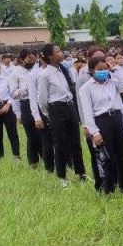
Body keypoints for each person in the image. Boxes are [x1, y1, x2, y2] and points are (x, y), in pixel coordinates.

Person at [38, 43, 87, 188]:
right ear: (50, 56)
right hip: (56, 109)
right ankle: (62, 177)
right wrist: (50, 114)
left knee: (76, 142)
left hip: (69, 106)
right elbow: (42, 99)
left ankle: (81, 173)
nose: (61, 53)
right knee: (60, 144)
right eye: (58, 51)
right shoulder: (45, 75)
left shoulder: (63, 69)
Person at [79, 56, 123, 194]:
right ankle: (109, 188)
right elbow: (87, 113)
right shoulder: (86, 88)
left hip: (118, 119)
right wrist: (95, 132)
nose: (103, 71)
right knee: (107, 157)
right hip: (102, 121)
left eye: (104, 68)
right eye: (99, 70)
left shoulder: (112, 82)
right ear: (91, 71)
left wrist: (112, 70)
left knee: (122, 154)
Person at [10, 49, 43, 167]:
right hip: (26, 104)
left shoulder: (39, 71)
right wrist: (27, 87)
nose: (32, 61)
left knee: (43, 135)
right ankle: (33, 162)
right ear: (22, 59)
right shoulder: (16, 73)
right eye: (29, 59)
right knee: (32, 135)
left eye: (34, 59)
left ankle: (47, 160)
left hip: (40, 104)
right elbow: (13, 94)